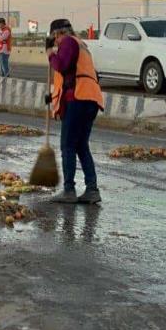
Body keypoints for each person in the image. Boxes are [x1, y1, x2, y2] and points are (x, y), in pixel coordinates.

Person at [46, 18, 104, 204]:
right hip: (90, 99)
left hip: (78, 99)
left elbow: (61, 66)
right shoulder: (81, 44)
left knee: (68, 146)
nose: (55, 42)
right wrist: (54, 97)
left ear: (58, 33)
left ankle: (69, 190)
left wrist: (49, 54)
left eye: (54, 37)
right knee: (81, 145)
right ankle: (92, 189)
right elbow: (72, 74)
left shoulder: (69, 42)